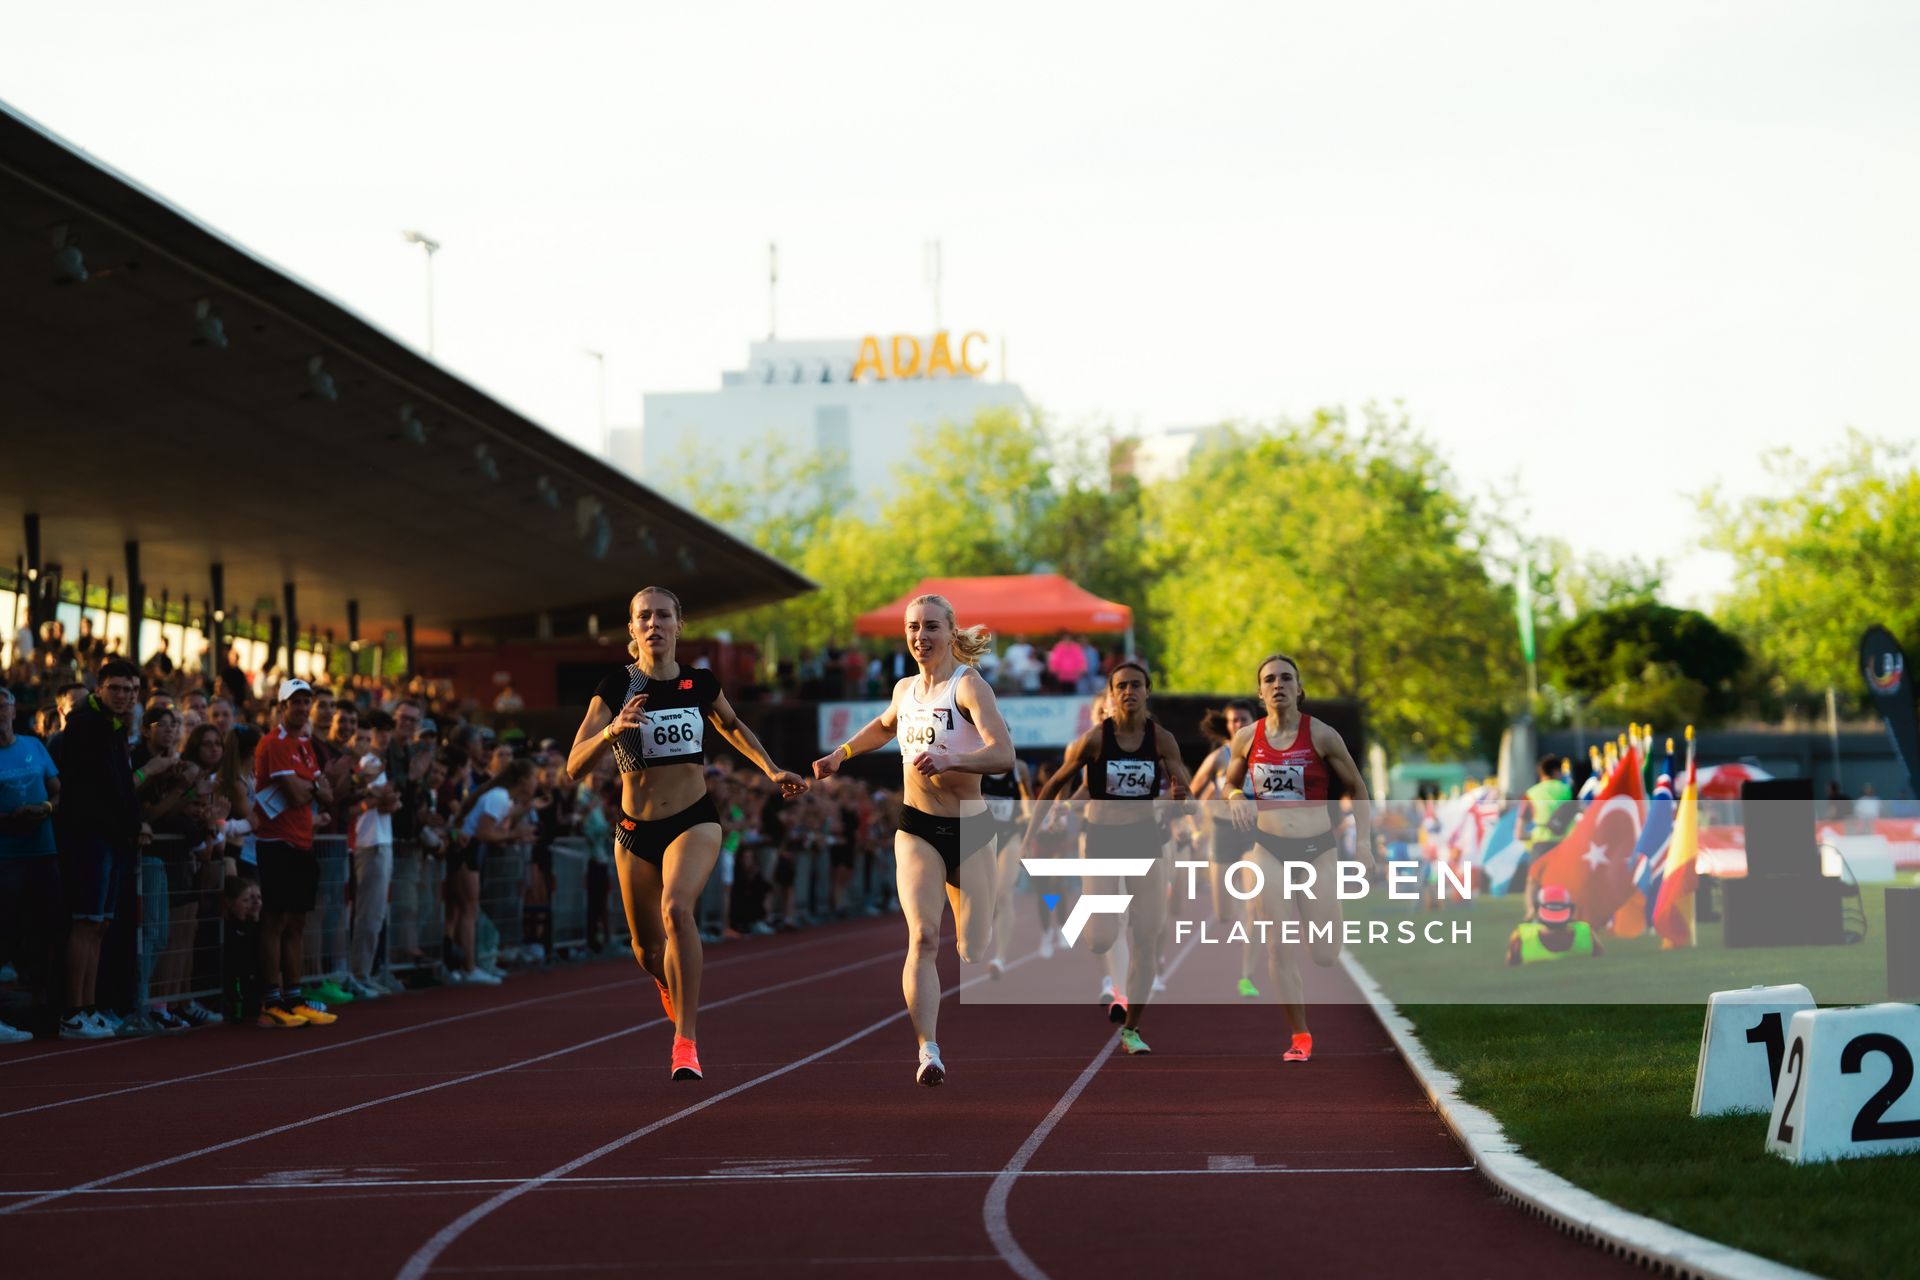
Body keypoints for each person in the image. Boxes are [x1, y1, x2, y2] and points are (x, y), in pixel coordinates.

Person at [567, 586, 808, 1082]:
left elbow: (732, 724)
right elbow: (573, 766)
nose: (653, 624)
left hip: (694, 819)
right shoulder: (616, 686)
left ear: (679, 625)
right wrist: (613, 730)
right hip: (635, 829)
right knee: (645, 950)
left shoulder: (698, 682)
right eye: (643, 618)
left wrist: (769, 768)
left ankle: (686, 1042)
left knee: (677, 909)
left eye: (662, 616)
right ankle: (666, 982)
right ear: (632, 630)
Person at [812, 593, 1015, 1086]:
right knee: (923, 937)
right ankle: (929, 1050)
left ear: (950, 632)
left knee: (973, 948)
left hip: (970, 827)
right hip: (918, 826)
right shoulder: (905, 691)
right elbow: (883, 727)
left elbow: (1003, 754)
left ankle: (992, 913)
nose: (920, 637)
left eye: (930, 627)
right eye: (912, 628)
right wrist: (841, 754)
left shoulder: (969, 688)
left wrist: (953, 760)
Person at [1026, 661, 1191, 1056]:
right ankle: (1103, 914)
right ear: (1112, 694)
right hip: (1102, 841)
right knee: (1101, 937)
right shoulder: (1096, 740)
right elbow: (1053, 785)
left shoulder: (1162, 739)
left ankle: (1132, 1029)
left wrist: (1179, 796)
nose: (1129, 691)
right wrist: (1029, 835)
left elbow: (1181, 784)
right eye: (1121, 686)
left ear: (1147, 691)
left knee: (1147, 938)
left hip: (1145, 841)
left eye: (1136, 685)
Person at [1221, 654, 1376, 1064]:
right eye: (1269, 679)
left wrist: (1364, 845)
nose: (1278, 685)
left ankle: (1317, 923)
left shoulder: (1323, 736)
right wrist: (1236, 797)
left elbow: (1358, 789)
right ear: (1260, 692)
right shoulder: (1247, 738)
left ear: (1299, 688)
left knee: (1325, 955)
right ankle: (1299, 1035)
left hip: (1317, 850)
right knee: (1278, 945)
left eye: (1286, 678)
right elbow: (1229, 781)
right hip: (1268, 850)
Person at [51, 660, 144, 1040]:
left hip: (111, 839)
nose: (123, 696)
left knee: (100, 924)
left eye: (130, 690)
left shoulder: (112, 727)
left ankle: (88, 1007)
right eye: (116, 688)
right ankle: (73, 1012)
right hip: (89, 839)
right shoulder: (86, 727)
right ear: (99, 688)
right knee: (87, 922)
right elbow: (93, 790)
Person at [252, 678, 338, 1028]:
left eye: (306, 702)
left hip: (302, 841)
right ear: (281, 706)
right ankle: (272, 997)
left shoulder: (305, 746)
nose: (302, 708)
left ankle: (294, 995)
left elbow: (326, 794)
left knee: (297, 922)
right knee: (276, 921)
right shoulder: (274, 743)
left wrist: (312, 787)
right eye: (296, 702)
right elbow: (301, 794)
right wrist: (313, 787)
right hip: (277, 843)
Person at [1185, 700, 1264, 999]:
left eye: (1242, 718)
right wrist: (1192, 827)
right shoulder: (1220, 757)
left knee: (1253, 909)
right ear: (1226, 724)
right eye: (1232, 720)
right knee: (1222, 913)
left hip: (1254, 832)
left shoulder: (1264, 754)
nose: (1237, 724)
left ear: (1254, 721)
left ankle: (1246, 975)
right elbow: (1192, 791)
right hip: (1221, 832)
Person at [0, 686, 61, 1041]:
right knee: (6, 932)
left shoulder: (34, 746)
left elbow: (57, 790)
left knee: (45, 930)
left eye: (2, 707)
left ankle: (42, 1007)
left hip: (43, 852)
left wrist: (46, 809)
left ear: (12, 710)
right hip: (5, 857)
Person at [1506, 885, 1604, 964]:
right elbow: (1601, 959)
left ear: (1537, 908)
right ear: (1571, 909)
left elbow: (1510, 965)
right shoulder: (1586, 931)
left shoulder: (1521, 935)